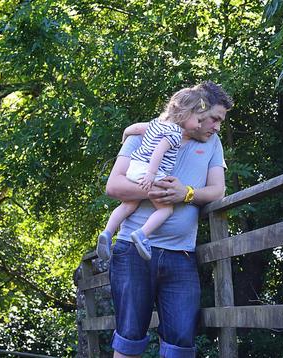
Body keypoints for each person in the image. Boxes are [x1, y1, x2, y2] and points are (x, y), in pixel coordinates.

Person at [106, 81, 233, 358]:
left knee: (180, 345)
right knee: (129, 338)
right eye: (213, 119)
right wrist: (158, 190)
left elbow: (217, 190)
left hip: (182, 256)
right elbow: (113, 186)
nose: (216, 126)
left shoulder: (213, 143)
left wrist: (184, 193)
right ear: (196, 110)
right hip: (131, 250)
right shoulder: (151, 132)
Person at [97, 88, 211, 261]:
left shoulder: (155, 124)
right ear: (185, 114)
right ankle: (142, 234)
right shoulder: (174, 133)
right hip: (150, 171)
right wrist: (151, 174)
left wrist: (124, 135)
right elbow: (159, 150)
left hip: (134, 167)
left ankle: (107, 232)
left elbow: (134, 128)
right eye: (198, 120)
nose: (200, 125)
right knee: (166, 209)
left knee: (129, 204)